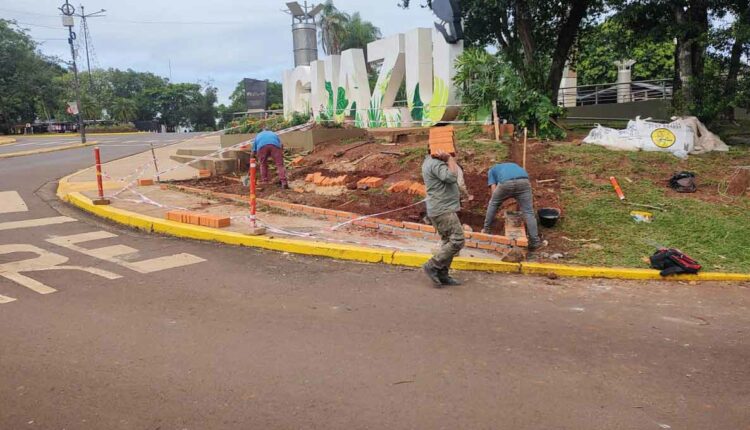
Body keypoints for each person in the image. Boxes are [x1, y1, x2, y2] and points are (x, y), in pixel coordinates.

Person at [421, 149, 465, 287]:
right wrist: (450, 159)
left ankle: (442, 273)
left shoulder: (430, 162)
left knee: (448, 241)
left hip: (439, 208)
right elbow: (451, 177)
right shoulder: (436, 163)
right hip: (443, 209)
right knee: (458, 240)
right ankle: (432, 265)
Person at [482, 162, 547, 250]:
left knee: (493, 203)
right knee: (528, 212)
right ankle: (535, 242)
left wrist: (497, 202)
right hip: (524, 182)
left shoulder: (491, 170)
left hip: (506, 182)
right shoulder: (513, 165)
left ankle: (486, 230)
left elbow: (493, 190)